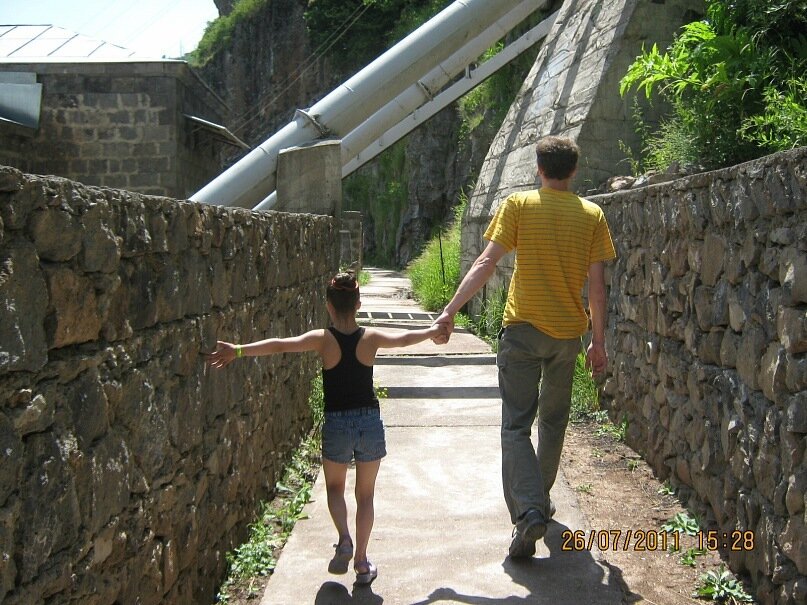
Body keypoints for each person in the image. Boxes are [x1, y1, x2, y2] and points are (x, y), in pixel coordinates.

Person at [433, 136, 616, 558]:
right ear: (573, 171)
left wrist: (449, 311)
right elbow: (597, 287)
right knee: (552, 422)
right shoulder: (592, 215)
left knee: (516, 425)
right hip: (567, 338)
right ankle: (540, 502)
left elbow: (485, 262)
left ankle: (530, 510)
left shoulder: (518, 206)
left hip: (521, 332)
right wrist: (598, 342)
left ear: (539, 168)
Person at [206, 272, 446, 584]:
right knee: (366, 494)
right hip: (369, 421)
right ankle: (361, 561)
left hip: (337, 422)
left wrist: (238, 350)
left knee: (334, 488)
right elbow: (403, 339)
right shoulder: (370, 337)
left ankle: (344, 539)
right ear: (358, 305)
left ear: (329, 306)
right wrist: (433, 330)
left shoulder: (323, 339)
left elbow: (281, 346)